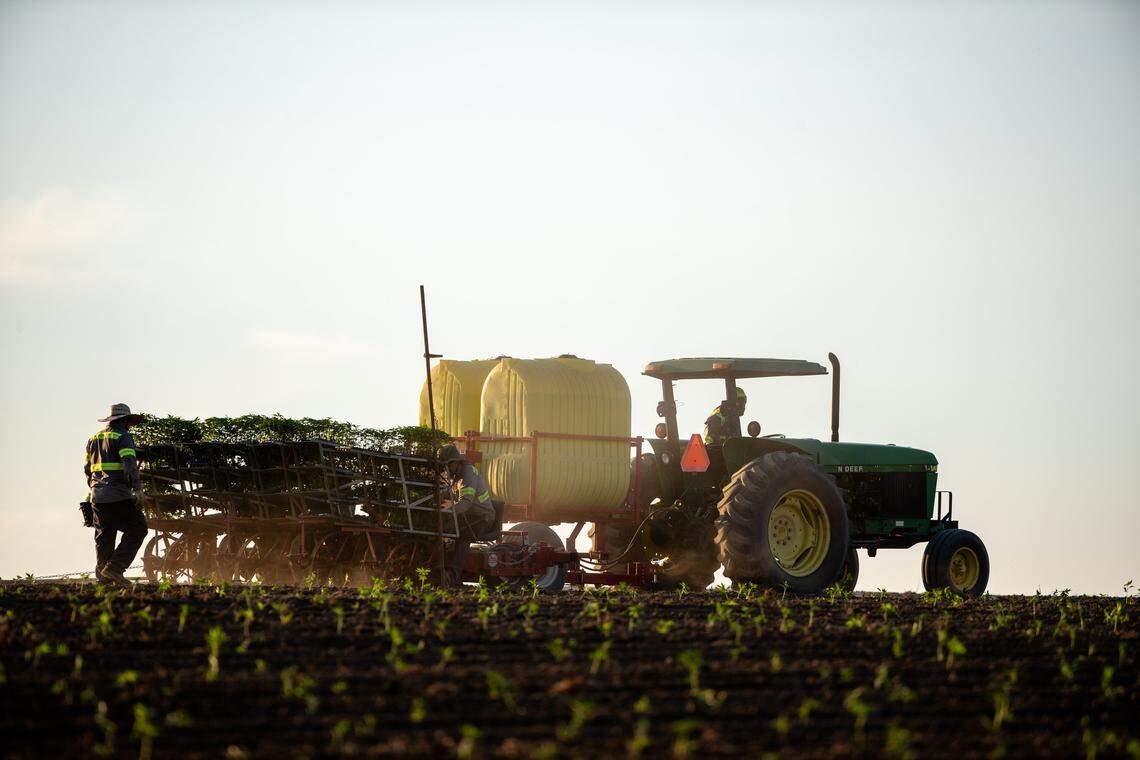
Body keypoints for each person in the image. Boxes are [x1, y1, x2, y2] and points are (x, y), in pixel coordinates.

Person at [84, 403, 149, 587]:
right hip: (118, 494)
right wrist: (137, 490)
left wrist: (93, 489)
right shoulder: (123, 437)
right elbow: (129, 465)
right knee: (138, 528)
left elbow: (87, 470)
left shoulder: (93, 439)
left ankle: (103, 576)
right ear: (126, 421)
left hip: (97, 495)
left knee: (104, 534)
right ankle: (115, 568)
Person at [437, 443, 497, 586]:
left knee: (464, 534)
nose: (445, 469)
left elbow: (464, 504)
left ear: (456, 462)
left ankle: (453, 575)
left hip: (483, 517)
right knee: (447, 529)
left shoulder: (467, 474)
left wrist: (446, 511)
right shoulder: (455, 475)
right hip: (470, 516)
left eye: (447, 465)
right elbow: (448, 494)